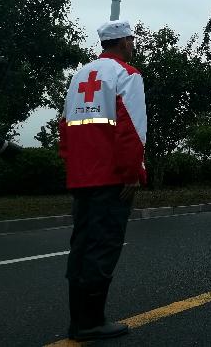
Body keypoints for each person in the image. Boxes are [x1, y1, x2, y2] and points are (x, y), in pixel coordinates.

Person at [58, 20, 146, 340]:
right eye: (131, 40)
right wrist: (132, 173)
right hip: (112, 177)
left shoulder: (79, 76)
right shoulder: (127, 74)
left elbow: (64, 128)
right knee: (103, 246)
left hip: (82, 177)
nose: (133, 45)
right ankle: (90, 322)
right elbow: (131, 129)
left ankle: (77, 320)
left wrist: (74, 166)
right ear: (123, 43)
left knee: (81, 246)